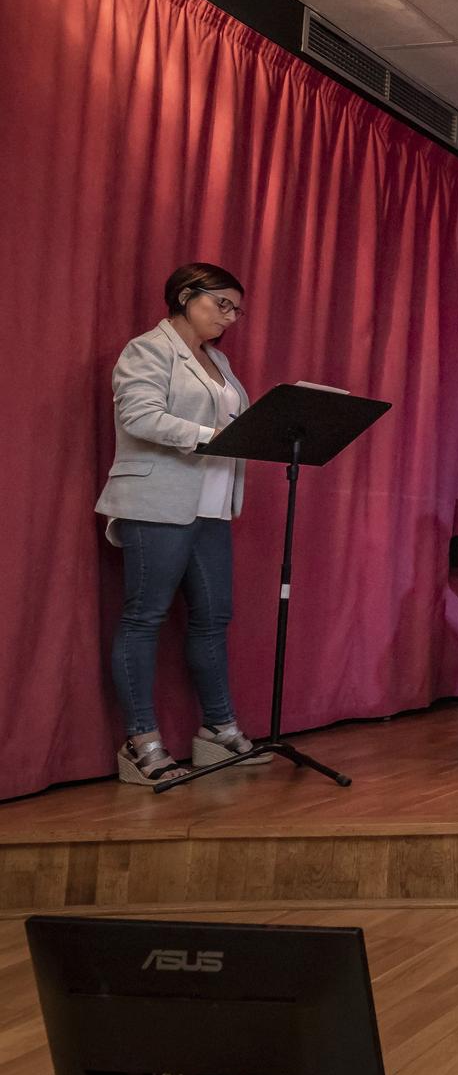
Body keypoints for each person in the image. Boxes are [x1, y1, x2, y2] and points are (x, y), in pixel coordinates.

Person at [96, 264, 268, 786]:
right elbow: (140, 416)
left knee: (213, 618)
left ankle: (217, 730)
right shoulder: (147, 349)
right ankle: (142, 741)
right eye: (223, 304)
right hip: (157, 501)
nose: (231, 317)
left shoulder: (219, 360)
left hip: (213, 504)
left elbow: (230, 421)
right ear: (187, 296)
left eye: (237, 309)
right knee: (145, 618)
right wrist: (211, 433)